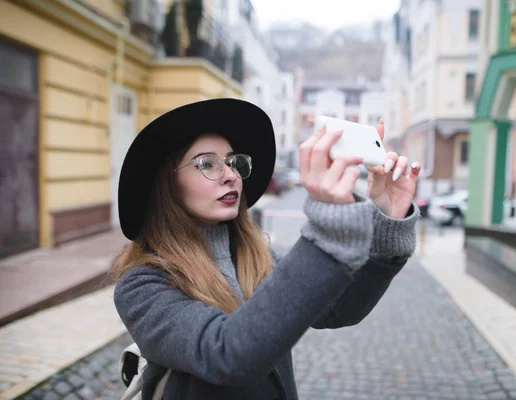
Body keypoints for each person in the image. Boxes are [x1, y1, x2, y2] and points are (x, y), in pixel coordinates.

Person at [110, 98, 421, 400]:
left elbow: (340, 308)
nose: (231, 175)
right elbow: (227, 355)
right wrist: (328, 226)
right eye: (207, 164)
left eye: (233, 162)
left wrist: (386, 218)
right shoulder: (141, 285)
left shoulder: (256, 257)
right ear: (168, 184)